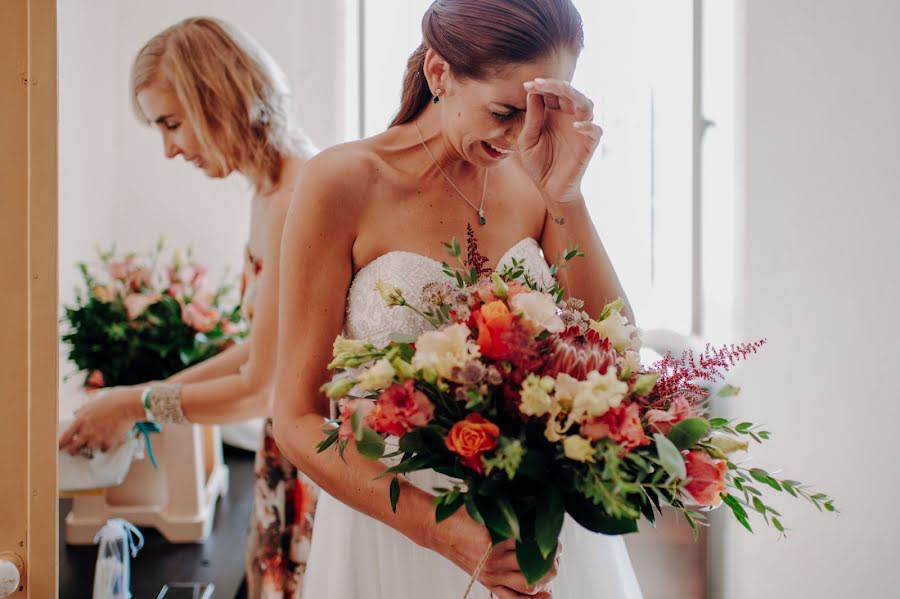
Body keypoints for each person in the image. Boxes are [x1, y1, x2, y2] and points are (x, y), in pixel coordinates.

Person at [272, 1, 643, 597]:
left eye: (541, 111)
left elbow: (619, 357)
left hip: (534, 520)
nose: (521, 134)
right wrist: (441, 532)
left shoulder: (536, 176)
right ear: (439, 74)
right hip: (396, 523)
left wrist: (567, 196)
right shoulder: (341, 182)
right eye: (504, 111)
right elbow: (295, 419)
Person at [57, 17, 317, 598]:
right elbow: (262, 349)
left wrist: (137, 403)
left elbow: (261, 388)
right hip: (287, 456)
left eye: (172, 124)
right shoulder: (269, 189)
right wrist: (142, 399)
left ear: (219, 97)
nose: (170, 149)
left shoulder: (296, 197)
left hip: (314, 459)